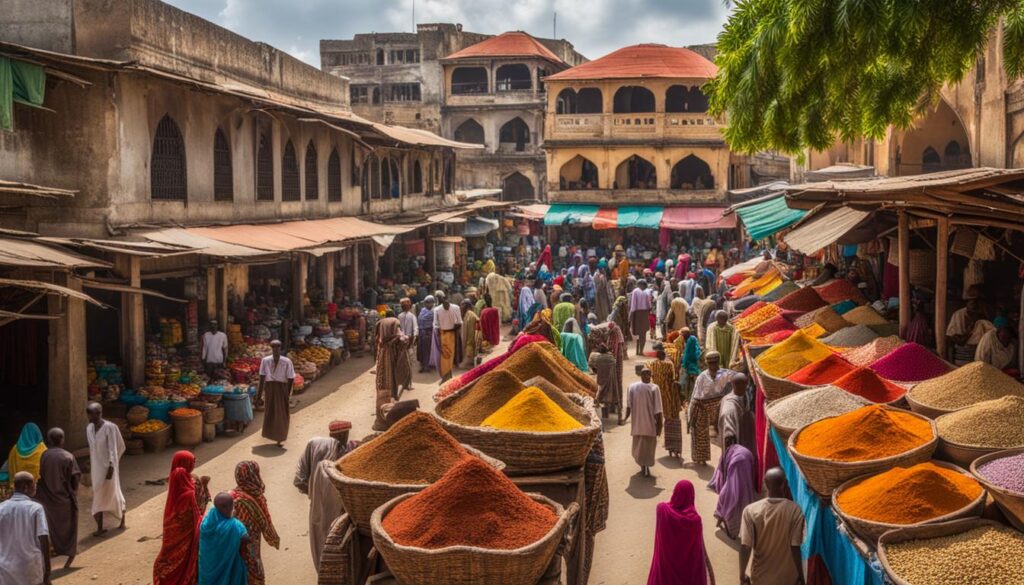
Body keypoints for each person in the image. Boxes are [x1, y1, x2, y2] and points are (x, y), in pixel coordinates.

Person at [294, 421, 356, 570]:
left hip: (317, 505)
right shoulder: (339, 453)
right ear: (342, 435)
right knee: (335, 541)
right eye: (345, 435)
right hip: (338, 509)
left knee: (319, 538)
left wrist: (315, 493)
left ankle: (322, 570)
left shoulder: (313, 445)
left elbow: (299, 480)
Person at [740, 468, 805, 585]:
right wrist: (801, 575)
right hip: (787, 577)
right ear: (785, 485)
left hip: (760, 577)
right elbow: (795, 546)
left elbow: (746, 546)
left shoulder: (750, 510)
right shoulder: (795, 510)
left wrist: (742, 575)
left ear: (765, 483)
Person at [153, 451, 210, 585]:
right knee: (186, 558)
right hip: (187, 533)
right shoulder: (190, 488)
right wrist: (205, 487)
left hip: (171, 531)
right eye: (192, 462)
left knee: (170, 555)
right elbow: (199, 510)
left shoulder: (175, 479)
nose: (194, 464)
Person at [646, 480, 714, 585]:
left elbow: (666, 504)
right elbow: (699, 548)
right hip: (687, 576)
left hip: (664, 574)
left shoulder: (662, 510)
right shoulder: (695, 521)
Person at [34, 428, 80, 568]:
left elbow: (42, 475)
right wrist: (73, 492)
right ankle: (69, 553)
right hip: (64, 498)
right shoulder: (68, 456)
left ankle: (56, 549)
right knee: (70, 526)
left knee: (51, 527)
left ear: (48, 440)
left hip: (47, 498)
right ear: (62, 440)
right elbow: (75, 477)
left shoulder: (44, 455)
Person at [231, 461, 279, 585]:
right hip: (251, 542)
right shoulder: (258, 496)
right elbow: (265, 522)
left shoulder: (233, 497)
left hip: (234, 543)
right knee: (253, 565)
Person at [0, 472, 50, 585]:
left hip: (6, 569)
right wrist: (47, 570)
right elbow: (44, 539)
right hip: (30, 567)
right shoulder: (36, 508)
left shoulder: (1, 508)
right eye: (34, 483)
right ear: (26, 487)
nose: (36, 486)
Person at [86, 402, 125, 536]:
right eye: (90, 414)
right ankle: (100, 528)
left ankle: (122, 520)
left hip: (109, 469)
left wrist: (111, 466)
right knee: (98, 495)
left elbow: (113, 448)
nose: (93, 416)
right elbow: (93, 449)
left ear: (100, 413)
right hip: (96, 469)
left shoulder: (110, 427)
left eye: (97, 413)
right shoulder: (89, 428)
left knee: (114, 492)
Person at [687, 352, 733, 466]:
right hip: (702, 405)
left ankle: (726, 458)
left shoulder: (726, 374)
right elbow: (696, 396)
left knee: (725, 431)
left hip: (719, 404)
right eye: (710, 363)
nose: (713, 365)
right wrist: (691, 414)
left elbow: (737, 379)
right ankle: (700, 458)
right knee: (699, 432)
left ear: (718, 362)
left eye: (715, 362)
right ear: (707, 363)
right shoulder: (702, 377)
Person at [199, 492, 249, 585]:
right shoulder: (234, 525)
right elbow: (246, 538)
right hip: (230, 566)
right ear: (227, 508)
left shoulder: (206, 523)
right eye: (232, 506)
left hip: (208, 567)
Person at [709, 444, 757, 540]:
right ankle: (732, 524)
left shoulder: (730, 457)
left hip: (738, 462)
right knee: (741, 494)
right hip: (747, 460)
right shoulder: (738, 451)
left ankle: (730, 528)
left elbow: (723, 470)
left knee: (729, 497)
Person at [373, 316, 413, 430]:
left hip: (384, 376)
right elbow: (403, 340)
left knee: (385, 394)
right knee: (387, 395)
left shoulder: (383, 342)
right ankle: (383, 422)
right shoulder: (392, 342)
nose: (398, 330)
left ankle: (382, 421)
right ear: (389, 329)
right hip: (387, 376)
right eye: (397, 328)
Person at [623, 367, 663, 477]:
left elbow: (658, 410)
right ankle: (644, 467)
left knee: (644, 450)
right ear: (640, 375)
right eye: (645, 374)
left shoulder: (654, 388)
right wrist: (625, 418)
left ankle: (645, 467)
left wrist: (660, 426)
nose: (647, 376)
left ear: (651, 375)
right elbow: (629, 406)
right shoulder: (633, 387)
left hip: (644, 425)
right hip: (643, 426)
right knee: (645, 450)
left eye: (648, 374)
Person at [258, 340, 295, 446]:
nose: (275, 349)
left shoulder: (287, 361)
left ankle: (280, 436)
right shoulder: (265, 361)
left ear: (280, 348)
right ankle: (271, 434)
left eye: (277, 347)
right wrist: (259, 395)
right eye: (273, 347)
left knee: (282, 413)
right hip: (270, 387)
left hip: (282, 387)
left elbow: (291, 378)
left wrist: (287, 393)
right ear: (271, 348)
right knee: (270, 411)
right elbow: (262, 378)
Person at [649, 347, 682, 458]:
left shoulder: (652, 365)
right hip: (669, 396)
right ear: (663, 356)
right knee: (672, 420)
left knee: (656, 420)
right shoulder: (669, 365)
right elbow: (673, 379)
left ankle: (659, 446)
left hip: (656, 396)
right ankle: (674, 447)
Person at [719, 373, 756, 458]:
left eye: (744, 385)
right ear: (733, 384)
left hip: (745, 442)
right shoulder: (729, 406)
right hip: (735, 451)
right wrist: (733, 454)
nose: (742, 388)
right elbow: (728, 435)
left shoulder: (744, 396)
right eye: (738, 385)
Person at [4, 423, 46, 488]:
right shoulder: (42, 448)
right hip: (37, 489)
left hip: (19, 487)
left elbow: (10, 467)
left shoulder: (15, 449)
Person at [433, 295, 464, 382]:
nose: (446, 304)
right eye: (444, 302)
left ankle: (448, 375)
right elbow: (435, 324)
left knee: (451, 355)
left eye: (447, 302)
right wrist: (438, 333)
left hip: (452, 333)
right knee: (444, 355)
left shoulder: (456, 308)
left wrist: (456, 327)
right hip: (442, 334)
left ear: (449, 301)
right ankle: (445, 376)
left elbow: (460, 321)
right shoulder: (437, 310)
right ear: (441, 302)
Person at [589, 344, 620, 421]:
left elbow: (593, 365)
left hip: (601, 379)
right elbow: (615, 364)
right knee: (610, 395)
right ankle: (611, 411)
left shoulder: (598, 358)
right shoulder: (611, 358)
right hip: (611, 380)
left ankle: (604, 415)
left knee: (601, 395)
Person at [629, 280, 654, 356]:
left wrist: (630, 316)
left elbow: (633, 305)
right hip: (645, 313)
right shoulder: (647, 292)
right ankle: (641, 350)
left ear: (638, 284)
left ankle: (638, 350)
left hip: (637, 313)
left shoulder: (635, 291)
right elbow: (649, 305)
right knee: (643, 333)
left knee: (637, 332)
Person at [416, 296, 436, 372]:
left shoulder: (433, 311)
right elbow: (420, 319)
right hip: (421, 331)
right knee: (421, 350)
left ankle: (426, 366)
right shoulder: (423, 310)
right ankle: (422, 365)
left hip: (428, 332)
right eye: (425, 302)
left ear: (432, 303)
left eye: (428, 302)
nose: (426, 304)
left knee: (426, 350)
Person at [460, 299, 480, 368]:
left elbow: (472, 332)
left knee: (469, 344)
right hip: (468, 336)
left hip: (470, 337)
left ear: (466, 305)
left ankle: (468, 363)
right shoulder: (467, 314)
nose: (461, 306)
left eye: (462, 304)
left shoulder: (470, 315)